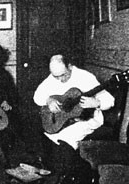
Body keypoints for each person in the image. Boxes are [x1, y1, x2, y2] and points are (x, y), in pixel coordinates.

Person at [33, 53, 115, 184]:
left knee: (66, 138)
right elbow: (37, 96)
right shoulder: (54, 76)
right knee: (44, 131)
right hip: (64, 120)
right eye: (56, 76)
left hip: (87, 120)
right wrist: (48, 100)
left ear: (70, 66)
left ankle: (69, 176)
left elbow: (110, 100)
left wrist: (96, 103)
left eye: (63, 75)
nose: (59, 79)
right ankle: (54, 169)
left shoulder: (85, 77)